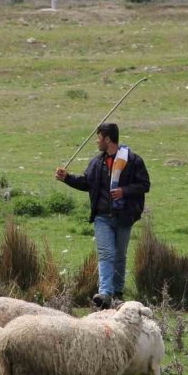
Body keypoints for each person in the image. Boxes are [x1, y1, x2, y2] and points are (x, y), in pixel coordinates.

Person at [55, 122, 150, 309]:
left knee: (120, 255)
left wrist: (124, 191)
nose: (97, 141)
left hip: (124, 217)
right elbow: (86, 183)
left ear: (108, 139)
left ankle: (117, 292)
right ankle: (105, 293)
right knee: (106, 253)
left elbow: (144, 185)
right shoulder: (96, 163)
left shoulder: (133, 161)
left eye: (99, 138)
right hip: (102, 217)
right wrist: (67, 178)